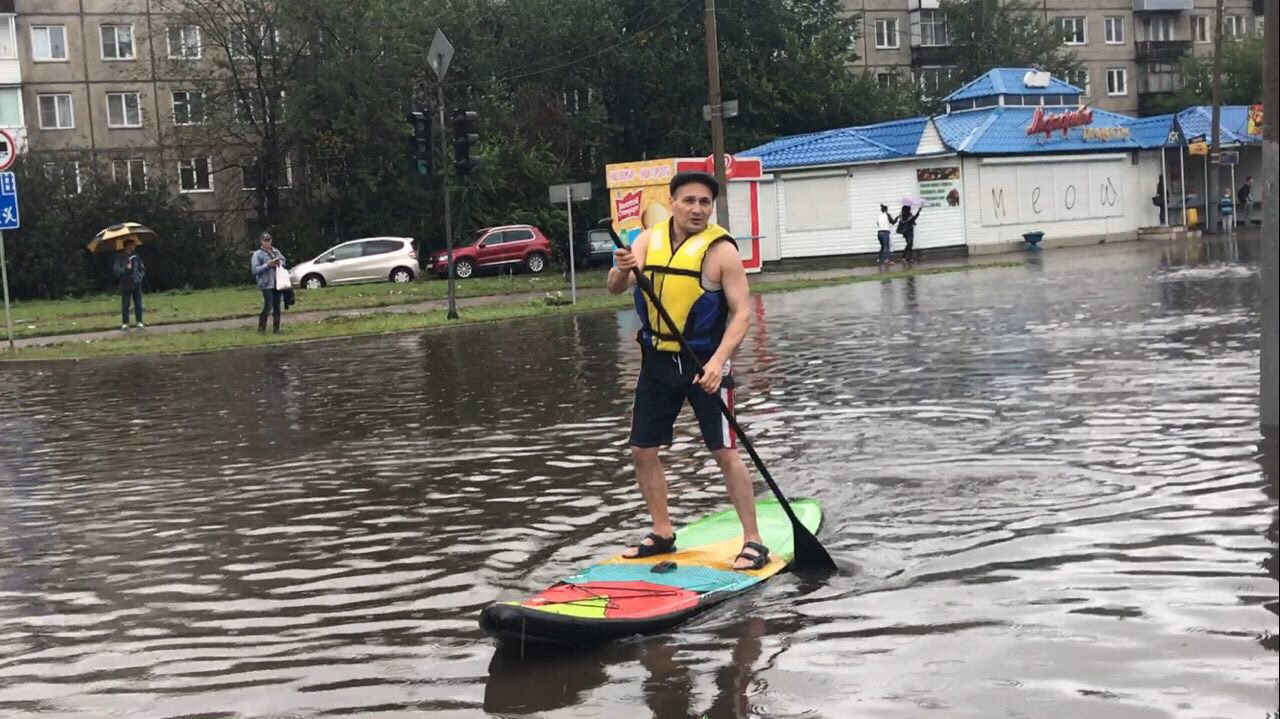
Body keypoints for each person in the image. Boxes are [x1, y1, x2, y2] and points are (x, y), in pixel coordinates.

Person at [607, 171, 766, 571]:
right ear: (673, 202)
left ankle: (754, 539)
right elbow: (613, 287)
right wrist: (623, 268)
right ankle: (662, 533)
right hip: (657, 362)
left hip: (705, 364)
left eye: (704, 203)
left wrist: (717, 364)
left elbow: (742, 314)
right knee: (642, 450)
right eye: (689, 200)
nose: (697, 209)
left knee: (725, 451)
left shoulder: (722, 251)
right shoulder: (645, 240)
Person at [250, 231, 286, 333]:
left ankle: (277, 329)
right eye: (265, 240)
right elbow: (255, 270)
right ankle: (261, 329)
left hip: (277, 282)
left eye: (268, 240)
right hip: (266, 284)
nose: (267, 242)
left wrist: (279, 263)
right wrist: (267, 265)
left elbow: (284, 260)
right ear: (261, 242)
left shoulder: (275, 251)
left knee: (277, 307)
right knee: (268, 305)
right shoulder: (257, 254)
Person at [113, 239, 145, 330]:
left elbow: (142, 268)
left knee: (138, 303)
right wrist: (125, 268)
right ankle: (125, 323)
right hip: (125, 283)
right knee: (125, 304)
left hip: (136, 282)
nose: (134, 246)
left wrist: (140, 276)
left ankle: (139, 321)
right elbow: (116, 270)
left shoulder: (136, 257)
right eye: (132, 245)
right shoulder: (120, 258)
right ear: (127, 246)